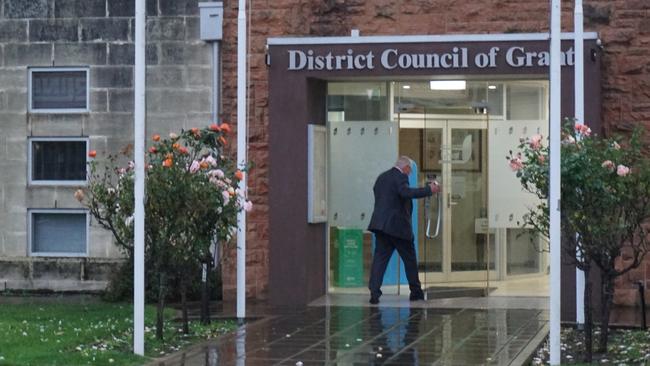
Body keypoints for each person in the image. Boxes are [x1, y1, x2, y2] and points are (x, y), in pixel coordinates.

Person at [367, 156, 440, 304]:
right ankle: (416, 291)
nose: (409, 173)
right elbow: (406, 193)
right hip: (398, 228)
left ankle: (374, 293)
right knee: (410, 260)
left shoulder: (382, 177)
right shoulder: (400, 177)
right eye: (409, 171)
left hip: (381, 226)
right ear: (405, 167)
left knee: (380, 260)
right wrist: (429, 190)